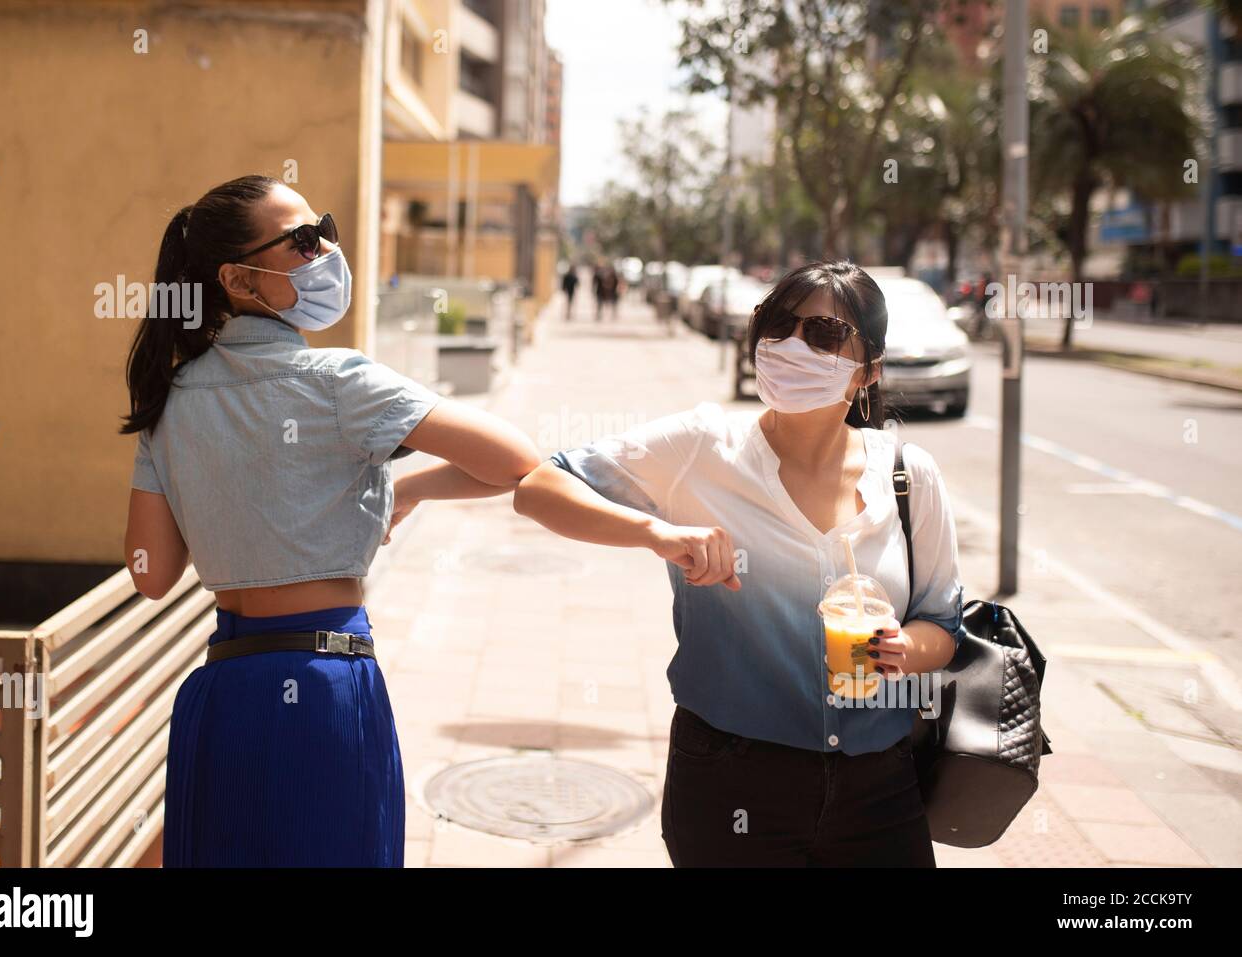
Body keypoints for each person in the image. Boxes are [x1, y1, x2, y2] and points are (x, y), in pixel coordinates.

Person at [122, 174, 539, 866]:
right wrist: (413, 491)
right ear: (237, 277)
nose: (326, 253)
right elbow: (517, 461)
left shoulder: (169, 400)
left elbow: (153, 573)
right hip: (323, 688)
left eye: (325, 232)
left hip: (225, 692)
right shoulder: (343, 382)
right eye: (304, 241)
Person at [513, 260, 968, 867]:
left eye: (824, 335)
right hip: (732, 781)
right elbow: (539, 488)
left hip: (880, 786)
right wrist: (656, 533)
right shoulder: (702, 447)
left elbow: (943, 624)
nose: (790, 345)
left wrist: (904, 650)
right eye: (777, 324)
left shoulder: (910, 477)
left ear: (870, 369)